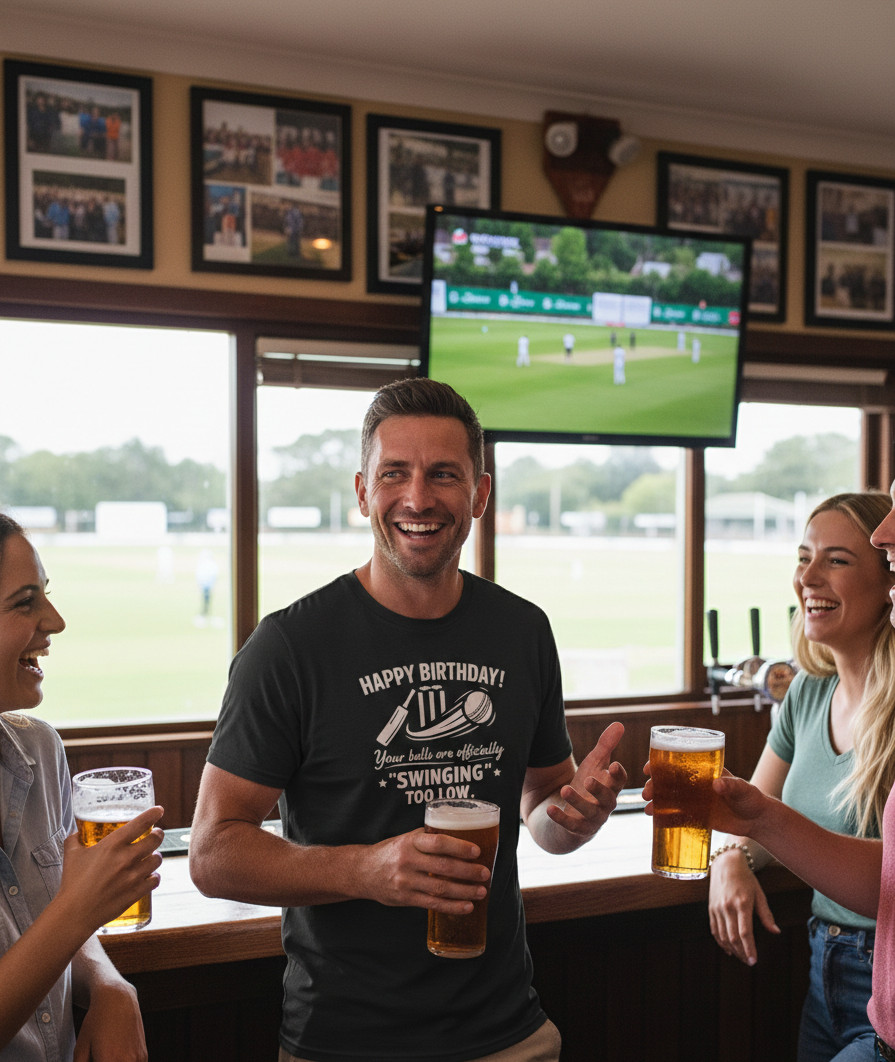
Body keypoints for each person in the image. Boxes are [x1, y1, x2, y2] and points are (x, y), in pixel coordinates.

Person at [189, 377, 627, 1062]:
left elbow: (541, 807)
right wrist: (365, 871)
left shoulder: (522, 631)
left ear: (479, 494)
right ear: (363, 491)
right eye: (394, 473)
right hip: (344, 1042)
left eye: (444, 475)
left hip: (509, 1033)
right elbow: (213, 853)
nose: (418, 498)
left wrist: (571, 818)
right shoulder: (288, 647)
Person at [643, 481, 895, 1062]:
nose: (807, 578)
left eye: (837, 560)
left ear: (889, 581)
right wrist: (731, 859)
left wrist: (758, 830)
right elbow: (751, 809)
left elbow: (883, 874)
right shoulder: (808, 691)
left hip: (882, 968)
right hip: (820, 965)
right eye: (805, 558)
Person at [0, 512, 164, 1060]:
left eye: (45, 594)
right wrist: (81, 907)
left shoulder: (39, 751)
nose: (56, 620)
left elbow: (49, 911)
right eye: (25, 602)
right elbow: (70, 908)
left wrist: (109, 984)